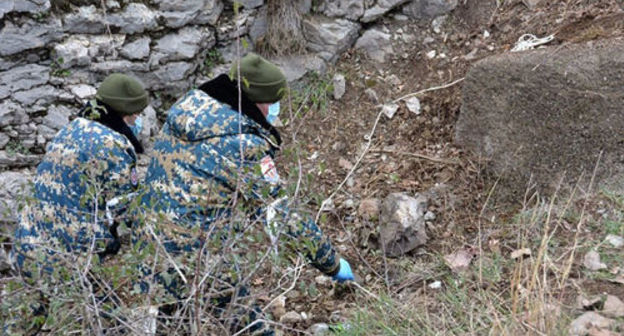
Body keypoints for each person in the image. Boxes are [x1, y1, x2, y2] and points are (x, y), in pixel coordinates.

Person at [140, 53, 355, 334]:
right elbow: (281, 216)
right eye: (273, 102)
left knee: (175, 325)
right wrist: (331, 263)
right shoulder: (244, 145)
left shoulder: (187, 109)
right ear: (258, 102)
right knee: (250, 328)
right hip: (198, 260)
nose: (276, 110)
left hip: (148, 250)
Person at [7, 73, 149, 334]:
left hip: (27, 247)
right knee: (110, 323)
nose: (137, 121)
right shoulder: (114, 144)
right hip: (72, 260)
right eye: (136, 114)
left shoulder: (71, 129)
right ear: (124, 113)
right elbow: (124, 211)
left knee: (24, 322)